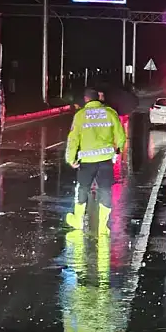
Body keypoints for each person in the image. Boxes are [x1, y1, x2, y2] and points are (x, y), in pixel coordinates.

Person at [65, 88, 126, 234]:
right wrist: (118, 151)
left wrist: (71, 159)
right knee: (105, 190)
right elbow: (121, 135)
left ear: (86, 99)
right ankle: (103, 227)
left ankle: (78, 221)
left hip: (87, 161)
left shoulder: (80, 116)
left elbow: (73, 139)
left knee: (83, 189)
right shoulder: (110, 113)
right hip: (105, 160)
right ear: (98, 98)